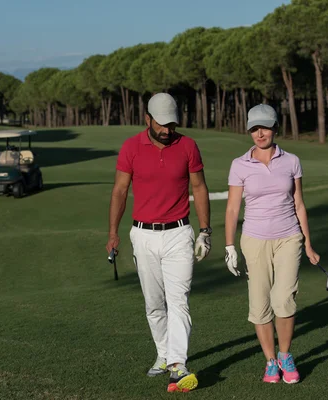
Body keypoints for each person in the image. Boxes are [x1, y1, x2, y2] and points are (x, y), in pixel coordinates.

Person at [106, 92, 212, 393]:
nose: (168, 131)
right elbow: (119, 192)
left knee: (179, 301)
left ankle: (178, 364)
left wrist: (206, 231)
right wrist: (113, 234)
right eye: (162, 125)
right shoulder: (131, 147)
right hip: (143, 235)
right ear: (148, 119)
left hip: (179, 233)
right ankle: (164, 354)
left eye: (173, 125)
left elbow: (200, 187)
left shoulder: (188, 146)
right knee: (154, 304)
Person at [224, 104, 320, 384]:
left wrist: (309, 244)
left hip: (289, 236)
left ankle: (286, 355)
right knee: (259, 304)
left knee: (284, 298)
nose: (259, 133)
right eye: (254, 128)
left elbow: (299, 204)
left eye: (264, 127)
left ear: (275, 127)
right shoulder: (239, 164)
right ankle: (270, 361)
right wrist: (229, 246)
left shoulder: (291, 161)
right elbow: (232, 210)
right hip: (253, 240)